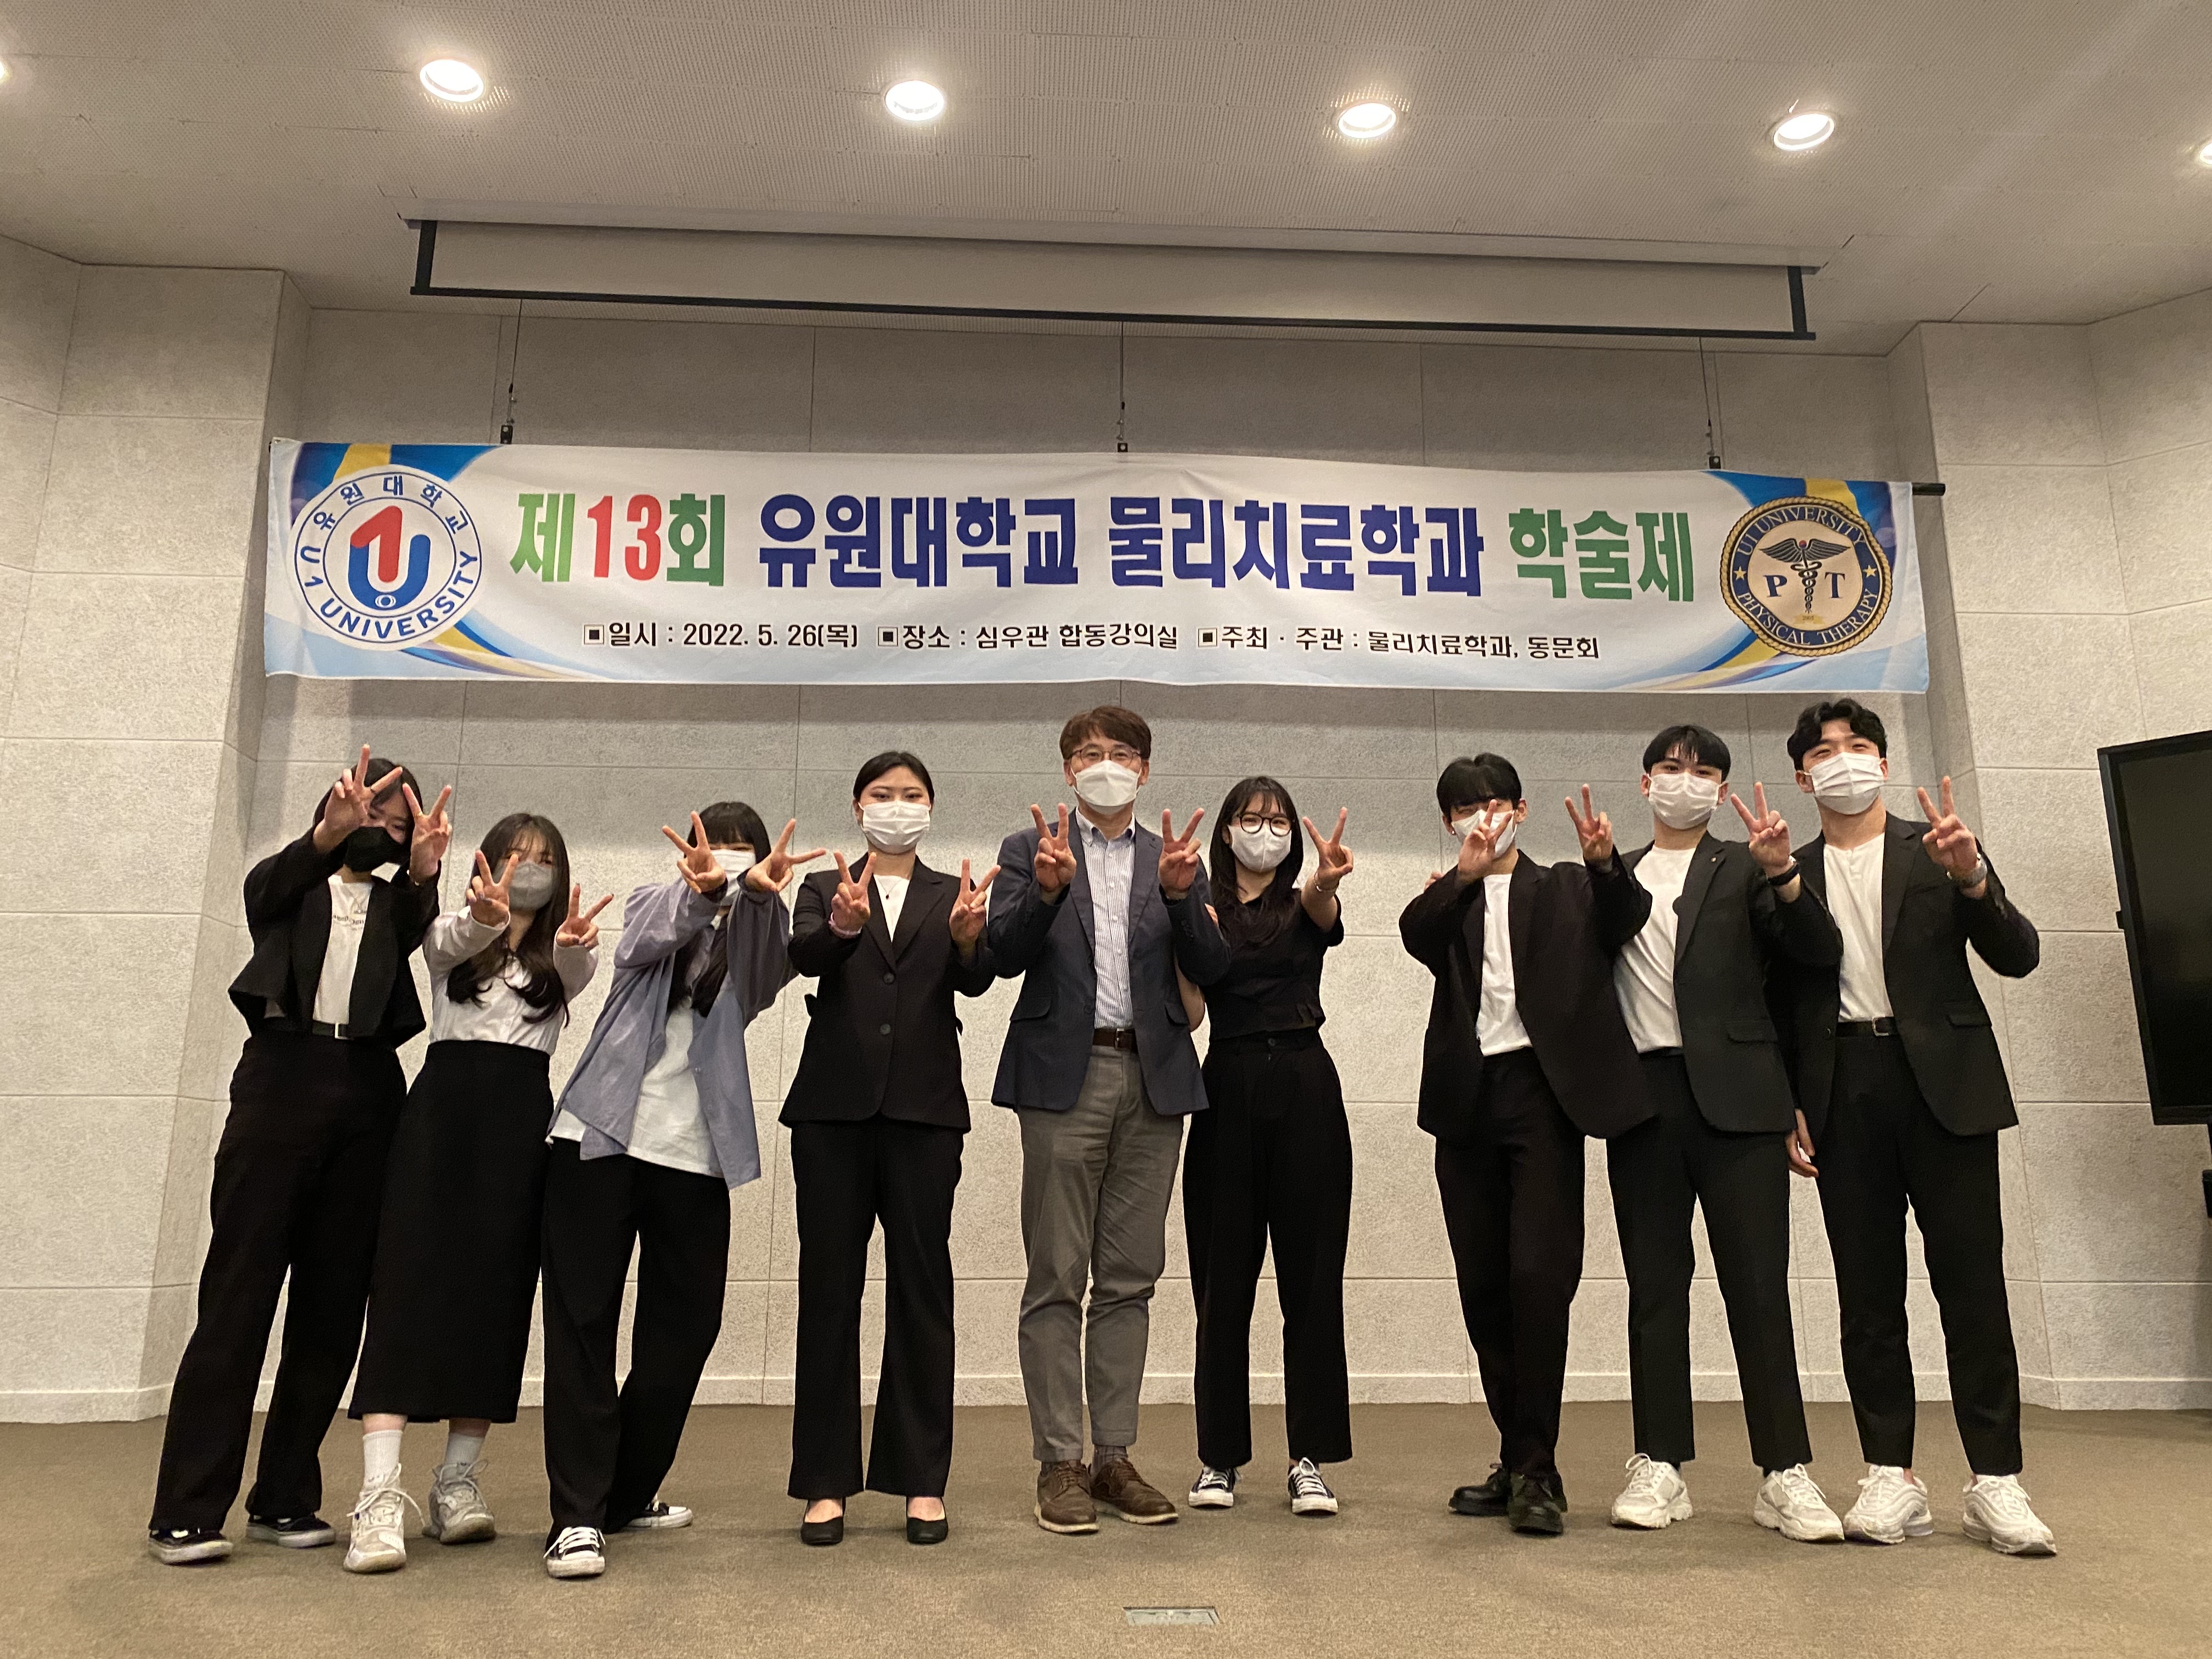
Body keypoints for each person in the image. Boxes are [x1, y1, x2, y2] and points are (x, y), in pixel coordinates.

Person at [149, 747, 453, 1565]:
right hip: (281, 1080)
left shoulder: (396, 906)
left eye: (398, 823)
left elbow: (421, 923)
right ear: (336, 805)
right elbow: (266, 891)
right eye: (371, 810)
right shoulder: (289, 884)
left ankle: (284, 1497)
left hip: (370, 1091)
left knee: (332, 1307)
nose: (381, 826)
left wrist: (424, 872)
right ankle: (187, 1508)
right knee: (238, 1296)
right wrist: (324, 838)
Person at [1775, 698, 2054, 1555]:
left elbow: (2018, 954)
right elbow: (1776, 1000)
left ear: (1884, 763)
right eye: (1825, 752)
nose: (1843, 760)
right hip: (1841, 1085)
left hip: (1948, 1085)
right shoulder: (1785, 870)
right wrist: (1786, 1101)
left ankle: (1996, 1480)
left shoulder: (1938, 847)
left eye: (1858, 746)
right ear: (1803, 778)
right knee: (1867, 1295)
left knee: (1972, 1287)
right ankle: (1890, 1475)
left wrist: (1974, 879)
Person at [535, 804, 822, 1579]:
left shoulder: (761, 931)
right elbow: (644, 940)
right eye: (713, 851)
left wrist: (755, 897)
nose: (723, 863)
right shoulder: (652, 902)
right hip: (596, 1140)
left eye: (740, 855)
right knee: (582, 1328)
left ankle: (623, 1493)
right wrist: (705, 893)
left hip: (696, 1156)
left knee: (685, 1331)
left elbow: (765, 974)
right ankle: (577, 1517)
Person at [342, 813, 611, 1573]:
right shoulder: (449, 938)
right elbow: (449, 941)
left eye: (544, 859)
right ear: (488, 863)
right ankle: (378, 1497)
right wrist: (483, 919)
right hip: (439, 1118)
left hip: (520, 1125)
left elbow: (575, 971)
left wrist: (571, 944)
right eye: (516, 855)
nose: (530, 868)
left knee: (495, 1297)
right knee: (404, 1289)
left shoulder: (563, 956)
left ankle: (456, 1483)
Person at [988, 704, 1231, 1534]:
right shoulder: (1030, 850)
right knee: (1057, 1275)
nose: (1106, 764)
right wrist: (1047, 893)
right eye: (1089, 753)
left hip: (1155, 1077)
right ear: (1068, 770)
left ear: (1145, 770)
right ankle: (1059, 1461)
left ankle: (1114, 1457)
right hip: (1065, 1074)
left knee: (1130, 1278)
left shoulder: (1174, 858)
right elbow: (1001, 955)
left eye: (1122, 752)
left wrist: (1185, 899)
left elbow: (1212, 966)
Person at [1601, 725, 1846, 1541]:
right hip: (1644, 1101)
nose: (1688, 781)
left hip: (1743, 1102)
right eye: (1672, 768)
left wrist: (1784, 874)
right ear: (1646, 783)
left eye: (1705, 771)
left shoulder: (1747, 866)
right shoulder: (1614, 875)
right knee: (1655, 1288)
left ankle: (1784, 1471)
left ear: (1723, 789)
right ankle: (1659, 1463)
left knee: (1759, 1287)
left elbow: (1816, 956)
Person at [1398, 754, 1652, 1537]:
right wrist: (1463, 878)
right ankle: (1517, 1459)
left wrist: (1605, 863)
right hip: (1466, 1102)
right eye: (1465, 809)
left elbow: (1626, 919)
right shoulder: (1449, 898)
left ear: (1522, 809)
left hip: (1544, 1098)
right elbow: (1415, 935)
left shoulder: (1568, 886)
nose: (1483, 818)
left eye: (1495, 803)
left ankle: (1538, 1469)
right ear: (1449, 823)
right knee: (1484, 1288)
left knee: (1539, 1280)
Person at [782, 752, 997, 1548]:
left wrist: (970, 942)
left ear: (931, 808)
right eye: (883, 794)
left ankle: (921, 1481)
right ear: (857, 805)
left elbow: (975, 980)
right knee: (828, 1292)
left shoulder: (953, 892)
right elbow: (807, 956)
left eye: (911, 795)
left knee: (921, 1291)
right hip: (832, 1112)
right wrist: (843, 925)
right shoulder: (825, 886)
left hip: (925, 1112)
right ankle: (824, 1482)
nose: (897, 806)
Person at [1181, 781, 1356, 1520]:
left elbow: (1324, 905)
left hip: (1306, 1082)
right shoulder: (1201, 905)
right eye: (1251, 819)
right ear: (1226, 831)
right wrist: (1176, 916)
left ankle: (1308, 1458)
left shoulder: (1304, 902)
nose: (1265, 830)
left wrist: (1325, 877)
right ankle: (1219, 1457)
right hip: (1226, 1082)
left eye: (1277, 820)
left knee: (1311, 1278)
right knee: (1222, 1281)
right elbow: (1192, 1007)